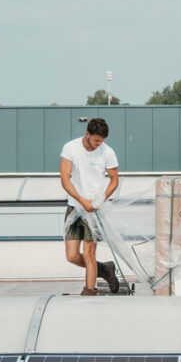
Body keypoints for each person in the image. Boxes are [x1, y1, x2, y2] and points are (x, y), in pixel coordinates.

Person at [59, 118, 121, 295]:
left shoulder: (107, 152)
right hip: (75, 206)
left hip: (95, 210)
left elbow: (114, 179)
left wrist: (101, 199)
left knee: (89, 252)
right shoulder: (70, 148)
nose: (99, 144)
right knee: (71, 256)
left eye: (102, 141)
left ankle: (90, 290)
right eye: (96, 140)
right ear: (87, 134)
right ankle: (104, 269)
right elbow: (65, 179)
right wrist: (80, 199)